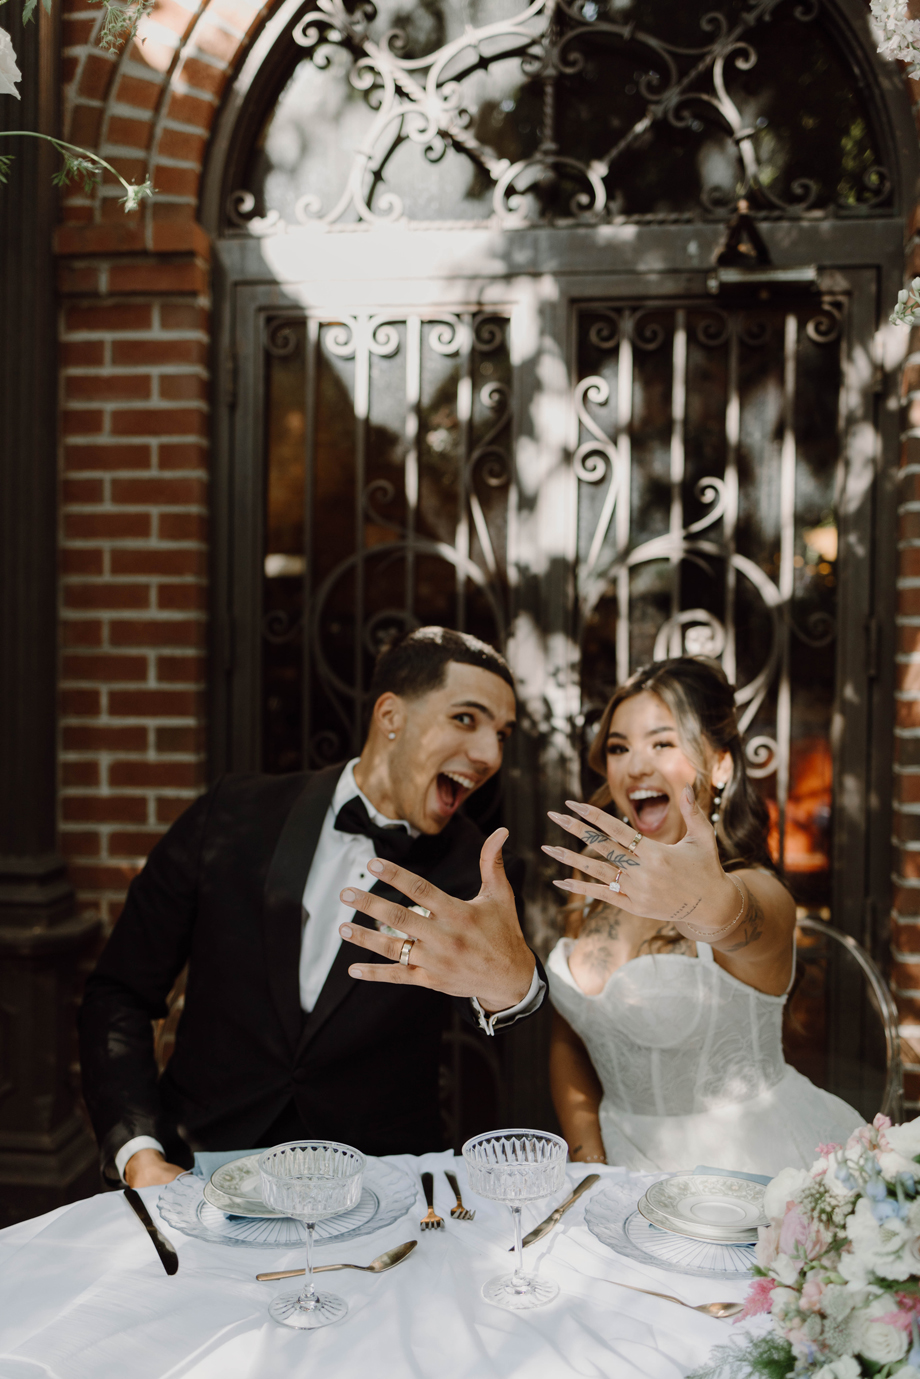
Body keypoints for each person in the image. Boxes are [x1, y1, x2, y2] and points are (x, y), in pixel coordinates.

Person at [79, 627, 544, 1188]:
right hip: (198, 1176)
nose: (490, 755)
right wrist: (140, 1154)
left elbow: (505, 1021)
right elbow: (120, 993)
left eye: (502, 734)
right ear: (391, 716)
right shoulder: (231, 814)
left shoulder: (480, 871)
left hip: (379, 1190)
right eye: (466, 719)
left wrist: (512, 986)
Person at [544, 656, 861, 1177]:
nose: (635, 766)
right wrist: (592, 1168)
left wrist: (698, 902)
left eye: (662, 743)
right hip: (617, 1173)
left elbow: (738, 918)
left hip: (749, 1174)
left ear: (720, 766)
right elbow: (571, 1037)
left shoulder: (759, 889)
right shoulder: (595, 887)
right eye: (619, 748)